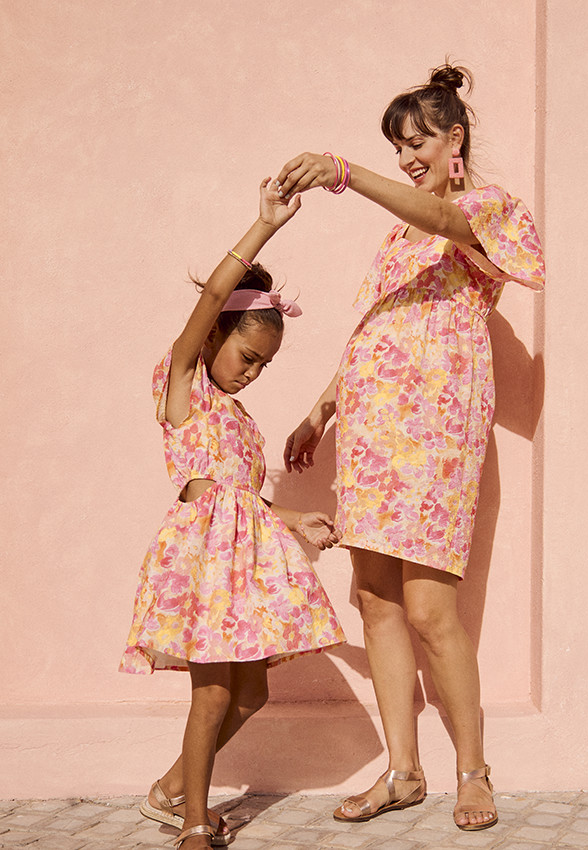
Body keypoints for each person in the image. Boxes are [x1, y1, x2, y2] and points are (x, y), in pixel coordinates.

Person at [277, 63, 545, 832]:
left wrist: (343, 172)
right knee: (374, 595)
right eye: (396, 148)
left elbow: (448, 220)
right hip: (373, 433)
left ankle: (473, 771)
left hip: (434, 428)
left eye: (417, 142)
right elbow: (383, 322)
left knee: (430, 606)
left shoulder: (487, 208)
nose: (405, 159)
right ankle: (402, 771)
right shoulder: (401, 235)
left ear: (454, 139)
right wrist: (324, 405)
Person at [119, 177, 346, 849]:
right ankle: (194, 821)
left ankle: (168, 790)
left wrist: (294, 520)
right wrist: (266, 224)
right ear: (215, 334)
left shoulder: (241, 421)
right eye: (247, 356)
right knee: (213, 695)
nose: (252, 373)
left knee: (251, 695)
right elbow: (214, 295)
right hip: (202, 565)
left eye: (264, 366)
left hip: (243, 569)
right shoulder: (183, 386)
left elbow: (243, 500)